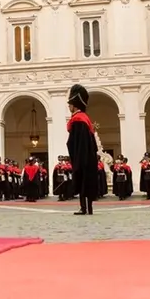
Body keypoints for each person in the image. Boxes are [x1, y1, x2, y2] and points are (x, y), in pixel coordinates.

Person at [66, 84, 99, 215]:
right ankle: (88, 208)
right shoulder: (84, 118)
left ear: (75, 105)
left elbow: (78, 142)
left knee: (82, 180)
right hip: (87, 155)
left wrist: (77, 157)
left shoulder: (78, 119)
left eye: (70, 104)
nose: (68, 106)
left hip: (82, 155)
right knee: (87, 180)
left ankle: (83, 208)